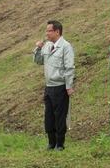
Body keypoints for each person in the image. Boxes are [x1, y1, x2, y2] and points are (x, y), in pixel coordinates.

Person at [33, 20, 75, 150]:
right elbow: (39, 61)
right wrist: (38, 49)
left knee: (60, 116)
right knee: (49, 116)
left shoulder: (66, 46)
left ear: (57, 31)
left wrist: (69, 85)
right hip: (49, 86)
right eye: (46, 30)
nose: (47, 33)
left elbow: (69, 67)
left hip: (60, 86)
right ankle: (51, 143)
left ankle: (60, 144)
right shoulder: (47, 45)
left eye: (49, 31)